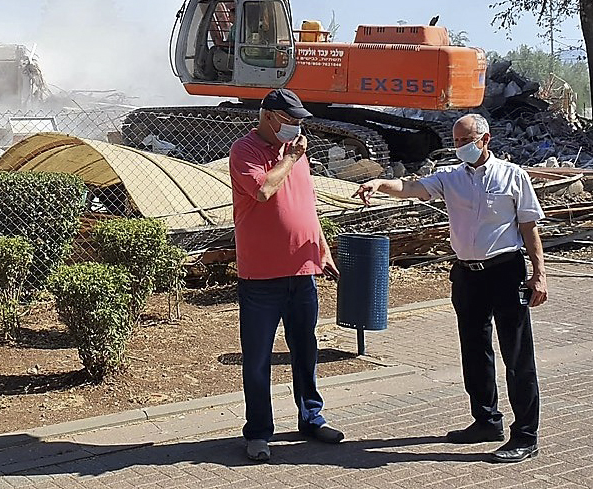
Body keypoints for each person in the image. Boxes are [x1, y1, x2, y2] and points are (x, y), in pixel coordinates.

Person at [355, 113, 547, 463]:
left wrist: (539, 274)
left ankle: (525, 435)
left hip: (506, 270)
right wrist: (381, 184)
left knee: (517, 355)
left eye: (464, 140)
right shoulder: (450, 178)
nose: (459, 147)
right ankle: (486, 421)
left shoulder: (513, 176)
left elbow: (529, 227)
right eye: (456, 141)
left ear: (485, 139)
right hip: (467, 274)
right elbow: (411, 188)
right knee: (474, 350)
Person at [229, 88, 343, 462]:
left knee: (305, 349)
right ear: (269, 116)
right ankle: (259, 432)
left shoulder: (296, 156)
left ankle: (311, 418)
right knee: (258, 358)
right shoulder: (244, 151)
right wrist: (290, 159)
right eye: (291, 120)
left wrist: (322, 249)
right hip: (261, 278)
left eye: (298, 122)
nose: (296, 128)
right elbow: (263, 191)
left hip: (302, 271)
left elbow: (306, 205)